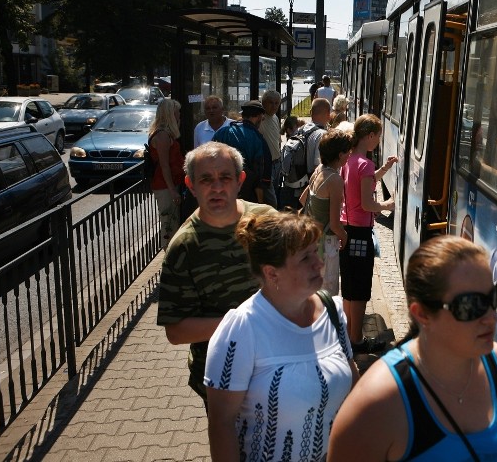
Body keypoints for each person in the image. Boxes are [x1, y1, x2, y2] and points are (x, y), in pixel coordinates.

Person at [329, 237, 497, 461]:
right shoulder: (378, 400)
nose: (492, 317)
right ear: (422, 314)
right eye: (471, 305)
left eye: (493, 299)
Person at [205, 211, 359, 461]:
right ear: (271, 273)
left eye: (315, 251)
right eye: (305, 257)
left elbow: (353, 386)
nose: (319, 262)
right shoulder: (243, 328)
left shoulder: (331, 310)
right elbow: (221, 424)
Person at [156, 141, 274, 406]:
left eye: (225, 177)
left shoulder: (268, 221)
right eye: (206, 179)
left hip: (274, 369)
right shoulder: (183, 248)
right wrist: (245, 324)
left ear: (240, 180)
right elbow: (175, 331)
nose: (217, 187)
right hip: (223, 380)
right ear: (190, 185)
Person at [339, 114, 396, 353]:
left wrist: (385, 168)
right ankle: (357, 340)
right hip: (361, 232)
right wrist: (386, 205)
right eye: (378, 136)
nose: (379, 141)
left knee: (349, 287)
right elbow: (366, 203)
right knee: (361, 288)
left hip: (346, 229)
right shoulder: (365, 164)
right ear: (370, 135)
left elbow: (366, 182)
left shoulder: (349, 160)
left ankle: (347, 333)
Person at [299, 129, 353, 296]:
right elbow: (335, 224)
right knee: (328, 293)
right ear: (339, 154)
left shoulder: (318, 171)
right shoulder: (335, 180)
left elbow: (302, 199)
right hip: (327, 243)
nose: (349, 155)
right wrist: (345, 237)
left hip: (312, 239)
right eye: (347, 152)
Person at [212, 100, 272, 204]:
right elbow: (260, 177)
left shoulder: (222, 132)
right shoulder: (258, 139)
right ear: (258, 117)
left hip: (220, 191)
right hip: (246, 196)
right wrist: (260, 204)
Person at [280, 98, 332, 211]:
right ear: (328, 114)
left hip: (290, 185)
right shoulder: (322, 135)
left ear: (310, 112)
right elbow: (318, 168)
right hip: (304, 191)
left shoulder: (301, 129)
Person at [149, 98, 185, 247]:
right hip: (165, 186)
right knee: (169, 223)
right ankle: (169, 260)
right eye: (177, 113)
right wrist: (173, 191)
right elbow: (164, 165)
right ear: (171, 114)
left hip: (170, 184)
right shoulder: (162, 135)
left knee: (173, 221)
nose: (179, 115)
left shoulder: (166, 133)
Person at [259, 90, 282, 208]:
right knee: (272, 201)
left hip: (277, 162)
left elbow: (278, 139)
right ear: (264, 103)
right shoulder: (260, 119)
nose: (274, 106)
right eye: (271, 103)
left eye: (277, 103)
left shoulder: (275, 118)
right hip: (267, 165)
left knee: (275, 194)